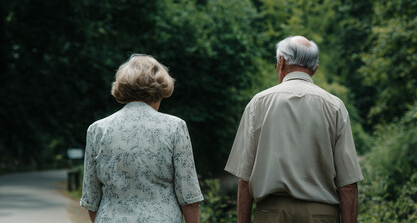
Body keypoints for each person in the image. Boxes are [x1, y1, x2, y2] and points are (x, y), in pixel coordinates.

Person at [225, 36, 364, 223]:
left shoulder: (258, 104)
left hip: (271, 215)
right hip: (322, 215)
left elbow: (244, 180)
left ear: (281, 61)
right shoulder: (335, 106)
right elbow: (348, 186)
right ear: (315, 68)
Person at [80, 54, 204, 223]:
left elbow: (91, 198)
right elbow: (189, 196)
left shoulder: (97, 130)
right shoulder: (174, 127)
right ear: (160, 90)